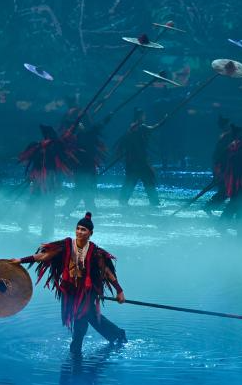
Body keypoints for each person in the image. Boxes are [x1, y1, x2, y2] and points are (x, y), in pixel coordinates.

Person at [11, 212, 127, 354]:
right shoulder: (66, 245)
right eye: (78, 228)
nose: (79, 232)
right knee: (90, 316)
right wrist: (22, 260)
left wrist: (119, 291)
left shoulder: (95, 252)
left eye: (83, 229)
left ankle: (76, 349)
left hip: (86, 293)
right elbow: (44, 255)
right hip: (70, 290)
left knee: (81, 318)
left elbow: (107, 272)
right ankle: (117, 334)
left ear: (90, 233)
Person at [18, 125, 78, 236]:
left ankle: (26, 222)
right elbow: (65, 140)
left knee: (36, 201)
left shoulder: (39, 146)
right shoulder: (50, 146)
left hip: (41, 179)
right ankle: (45, 229)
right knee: (47, 203)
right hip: (47, 180)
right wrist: (74, 126)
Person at [115, 109, 158, 208]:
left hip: (134, 161)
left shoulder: (132, 127)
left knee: (134, 181)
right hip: (139, 161)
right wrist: (162, 121)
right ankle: (154, 202)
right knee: (146, 181)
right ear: (140, 116)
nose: (145, 117)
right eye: (143, 115)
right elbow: (152, 128)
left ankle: (123, 200)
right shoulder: (139, 127)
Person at [203, 114, 232, 214]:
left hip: (223, 168)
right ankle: (209, 206)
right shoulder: (225, 137)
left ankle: (209, 205)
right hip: (221, 168)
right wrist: (219, 172)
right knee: (225, 191)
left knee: (225, 191)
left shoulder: (227, 136)